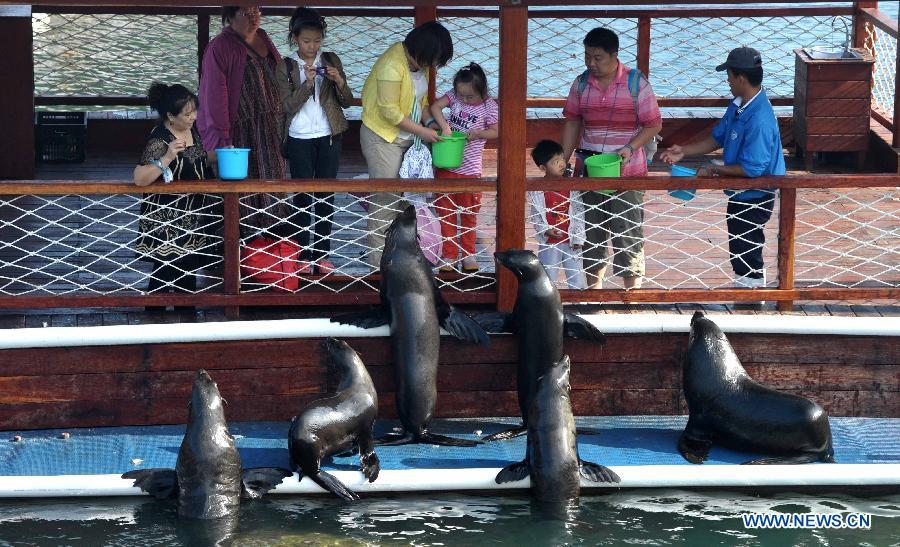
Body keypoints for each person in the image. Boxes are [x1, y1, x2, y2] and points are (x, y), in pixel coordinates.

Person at [659, 47, 784, 289]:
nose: (726, 79)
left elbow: (753, 170)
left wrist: (715, 169)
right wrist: (684, 150)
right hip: (740, 193)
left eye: (729, 74)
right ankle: (746, 289)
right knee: (739, 246)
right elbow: (718, 137)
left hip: (756, 195)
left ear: (740, 78)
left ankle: (752, 296)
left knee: (747, 249)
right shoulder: (738, 104)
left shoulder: (760, 119)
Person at [561, 27, 661, 290]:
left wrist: (630, 148)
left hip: (627, 173)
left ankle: (632, 298)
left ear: (614, 55)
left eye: (597, 58)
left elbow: (653, 124)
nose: (591, 63)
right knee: (591, 236)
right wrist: (564, 158)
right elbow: (572, 122)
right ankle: (593, 295)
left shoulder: (636, 83)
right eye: (587, 57)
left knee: (627, 233)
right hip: (589, 170)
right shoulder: (581, 84)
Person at [360, 21, 453, 267]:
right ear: (423, 51)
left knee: (407, 202)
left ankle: (402, 263)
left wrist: (433, 123)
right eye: (435, 60)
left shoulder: (417, 64)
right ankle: (378, 269)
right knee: (385, 203)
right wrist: (423, 132)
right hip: (383, 138)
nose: (435, 66)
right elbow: (390, 113)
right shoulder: (392, 65)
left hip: (407, 138)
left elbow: (418, 104)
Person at [198, 5, 292, 239]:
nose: (254, 18)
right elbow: (214, 97)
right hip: (241, 128)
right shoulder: (219, 47)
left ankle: (274, 243)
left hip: (271, 125)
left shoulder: (263, 37)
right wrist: (222, 139)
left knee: (273, 180)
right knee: (245, 186)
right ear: (229, 17)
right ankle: (246, 244)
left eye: (256, 11)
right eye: (246, 13)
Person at [277, 7, 353, 275]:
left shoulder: (331, 59)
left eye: (317, 40)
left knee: (326, 196)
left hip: (329, 135)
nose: (313, 46)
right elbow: (286, 106)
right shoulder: (285, 66)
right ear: (295, 38)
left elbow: (347, 101)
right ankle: (300, 255)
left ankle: (321, 256)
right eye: (307, 41)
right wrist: (307, 85)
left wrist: (339, 81)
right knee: (302, 197)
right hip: (299, 138)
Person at [134, 82, 219, 308]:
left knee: (188, 269)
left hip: (194, 214)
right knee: (165, 269)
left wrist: (220, 155)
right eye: (188, 113)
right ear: (171, 116)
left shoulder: (191, 130)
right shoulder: (159, 139)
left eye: (195, 111)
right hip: (167, 217)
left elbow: (196, 156)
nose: (194, 117)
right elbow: (140, 177)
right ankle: (155, 321)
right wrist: (168, 157)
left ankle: (185, 317)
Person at [427, 62, 499, 272]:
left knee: (468, 215)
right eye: (462, 96)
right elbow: (435, 107)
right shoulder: (454, 96)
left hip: (470, 171)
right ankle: (449, 255)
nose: (465, 100)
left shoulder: (489, 107)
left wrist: (479, 134)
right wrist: (444, 126)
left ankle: (468, 254)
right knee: (445, 214)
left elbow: (496, 130)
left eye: (470, 97)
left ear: (482, 91)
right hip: (446, 166)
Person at [528, 140, 587, 289]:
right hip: (550, 241)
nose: (562, 163)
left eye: (562, 158)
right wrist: (545, 230)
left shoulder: (571, 187)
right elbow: (535, 215)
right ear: (543, 167)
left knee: (577, 276)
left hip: (572, 241)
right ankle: (547, 307)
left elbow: (579, 212)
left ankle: (580, 304)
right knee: (548, 278)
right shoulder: (538, 190)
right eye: (555, 161)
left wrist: (579, 237)